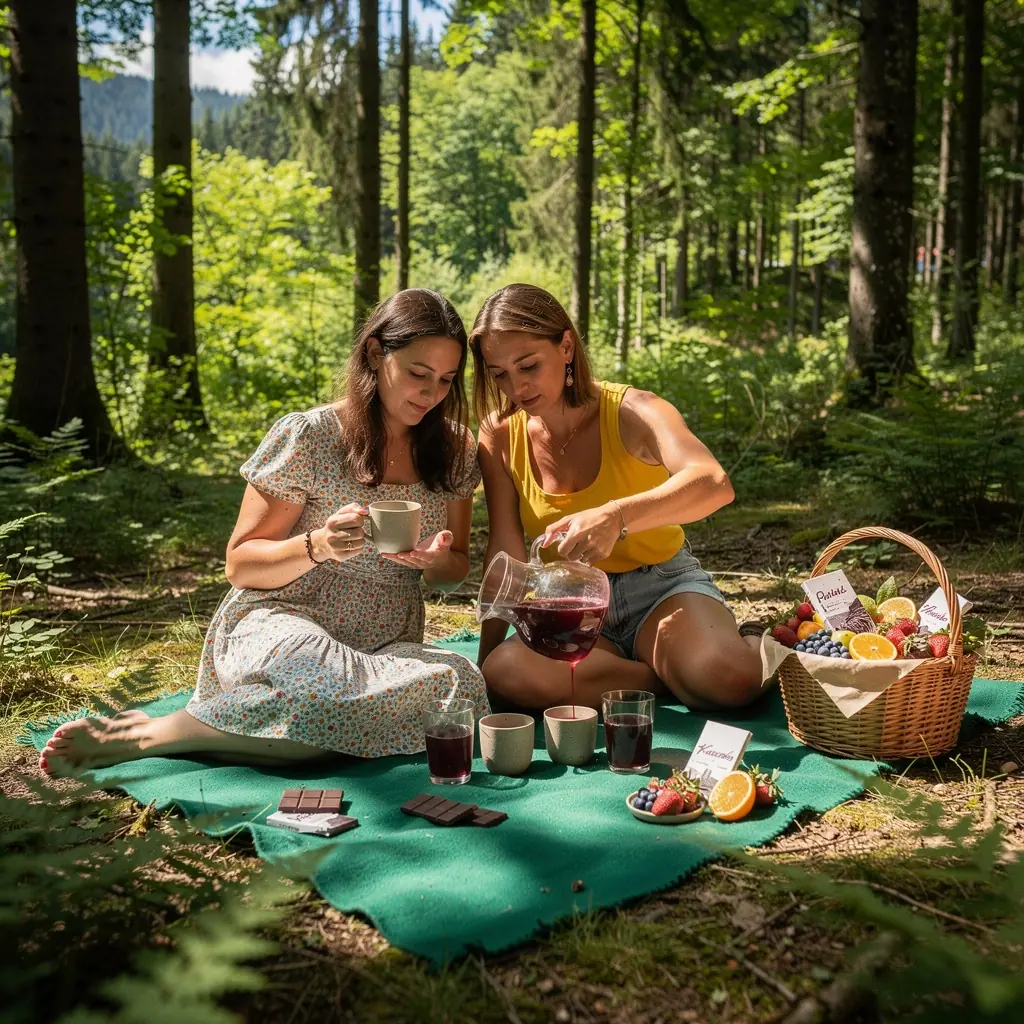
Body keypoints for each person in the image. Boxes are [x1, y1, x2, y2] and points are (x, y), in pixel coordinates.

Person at [40, 289, 489, 776]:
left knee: (460, 684)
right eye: (419, 374)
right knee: (318, 694)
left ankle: (265, 726)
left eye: (446, 380)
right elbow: (241, 564)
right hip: (285, 617)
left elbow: (453, 571)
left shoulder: (454, 449)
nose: (431, 393)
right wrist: (318, 545)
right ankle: (150, 736)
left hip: (384, 642)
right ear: (376, 353)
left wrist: (435, 561)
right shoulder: (310, 435)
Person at [471, 284, 764, 712]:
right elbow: (505, 547)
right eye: (499, 374)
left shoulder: (634, 410)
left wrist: (617, 516)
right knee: (506, 673)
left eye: (528, 365)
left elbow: (713, 482)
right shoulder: (499, 433)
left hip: (661, 589)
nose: (516, 387)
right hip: (568, 607)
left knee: (730, 679)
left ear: (566, 347)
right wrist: (485, 665)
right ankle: (663, 676)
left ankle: (737, 644)